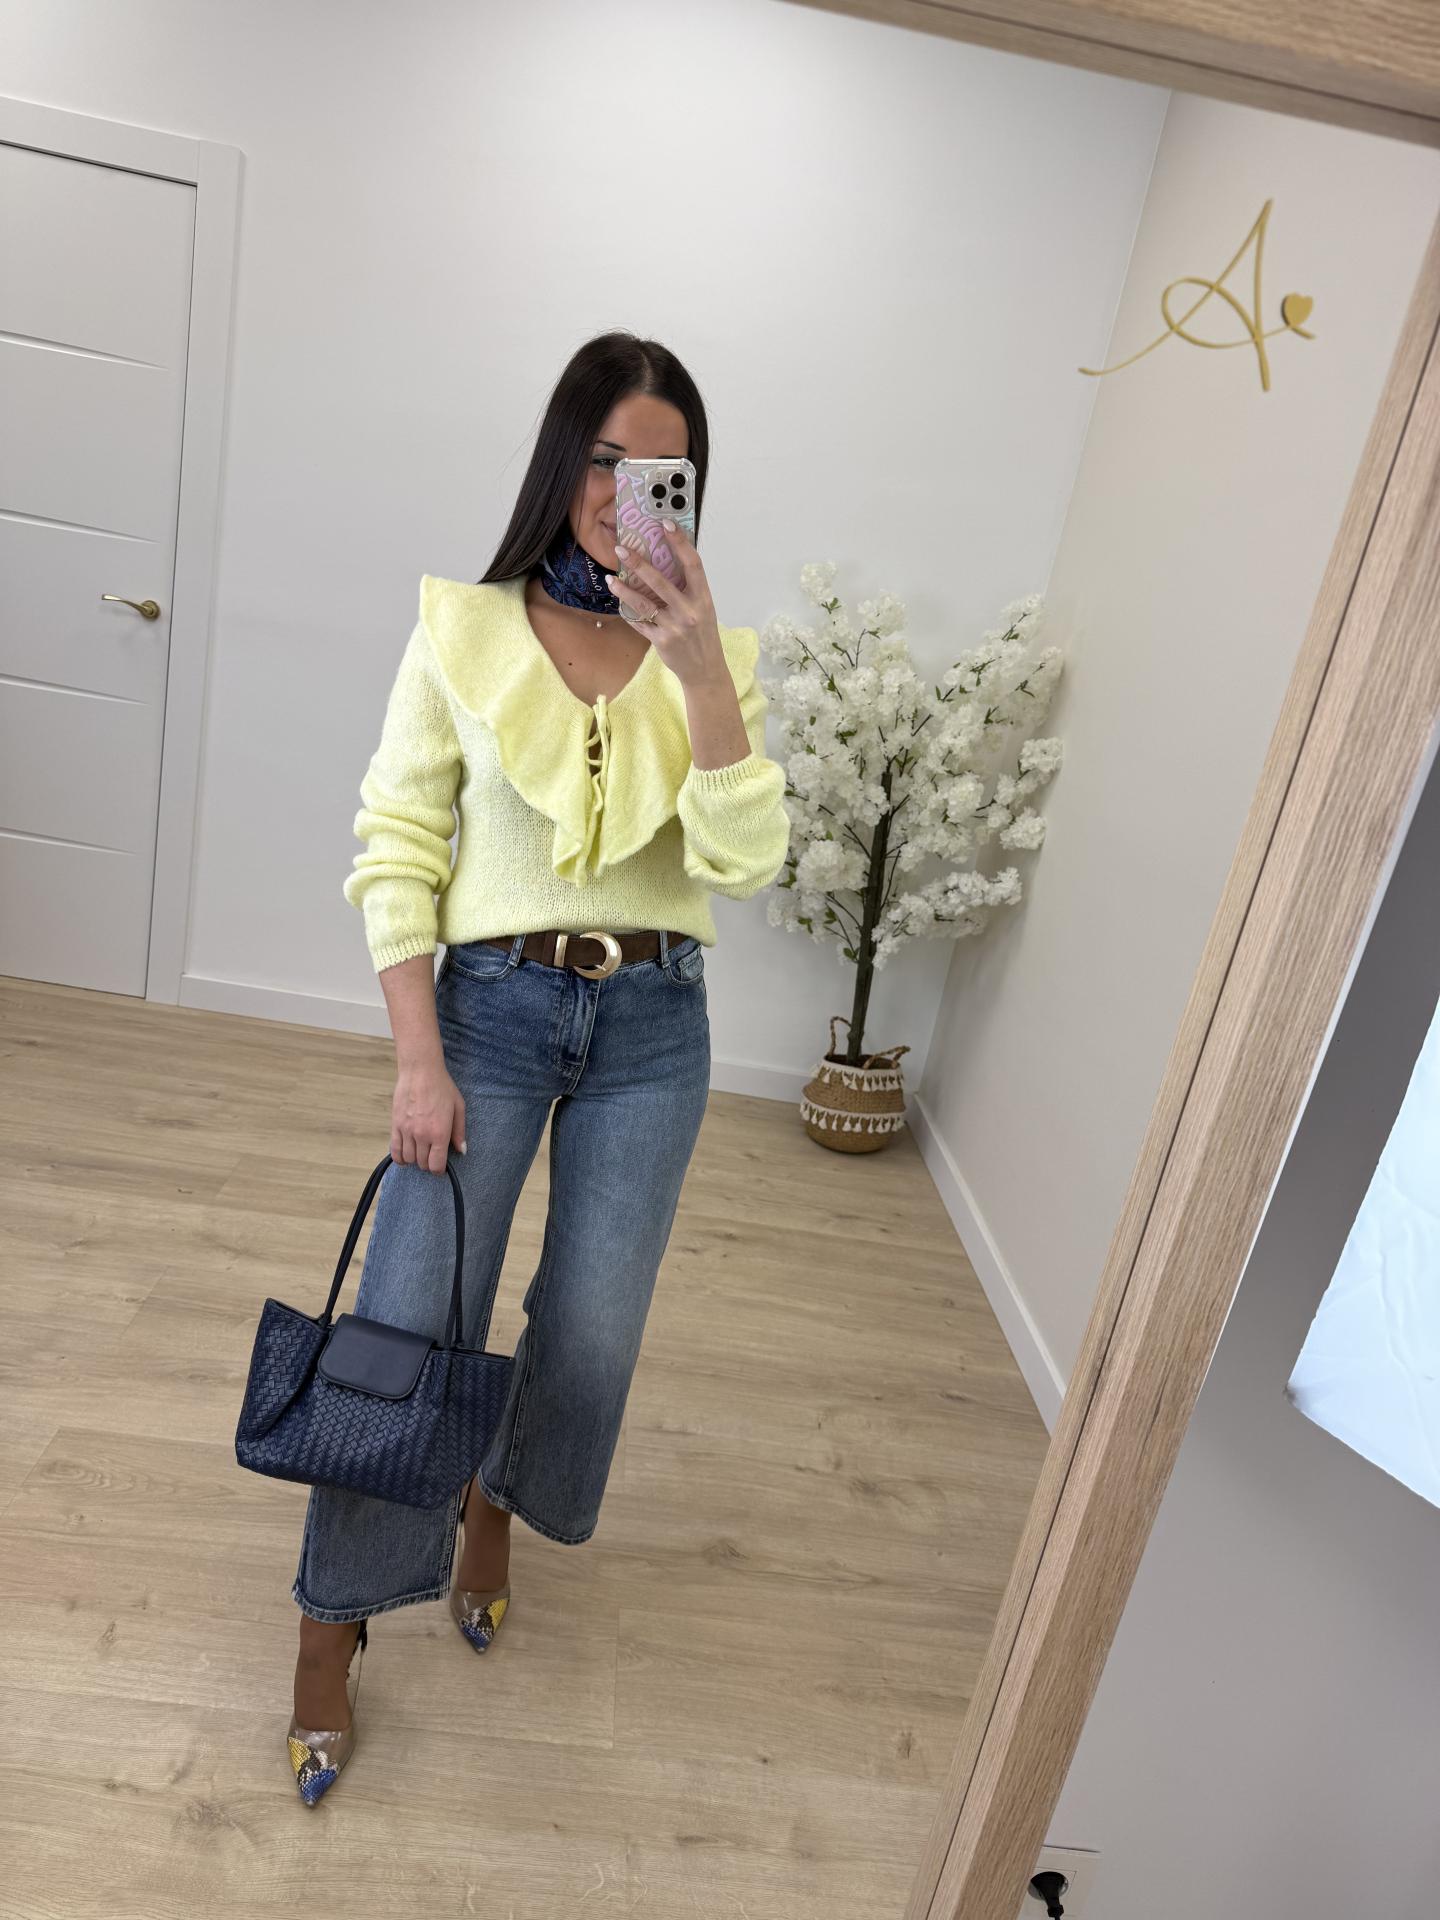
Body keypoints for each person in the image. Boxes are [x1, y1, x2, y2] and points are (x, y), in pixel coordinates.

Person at [285, 330, 792, 1803]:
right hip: (491, 1014)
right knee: (407, 1317)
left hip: (657, 1029)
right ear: (566, 461)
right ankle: (331, 1620)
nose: (625, 494)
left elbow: (746, 862)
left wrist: (700, 667)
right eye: (606, 462)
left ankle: (494, 1503)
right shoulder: (463, 629)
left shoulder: (719, 659)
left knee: (589, 1329)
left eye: (660, 473)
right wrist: (418, 1057)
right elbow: (398, 844)